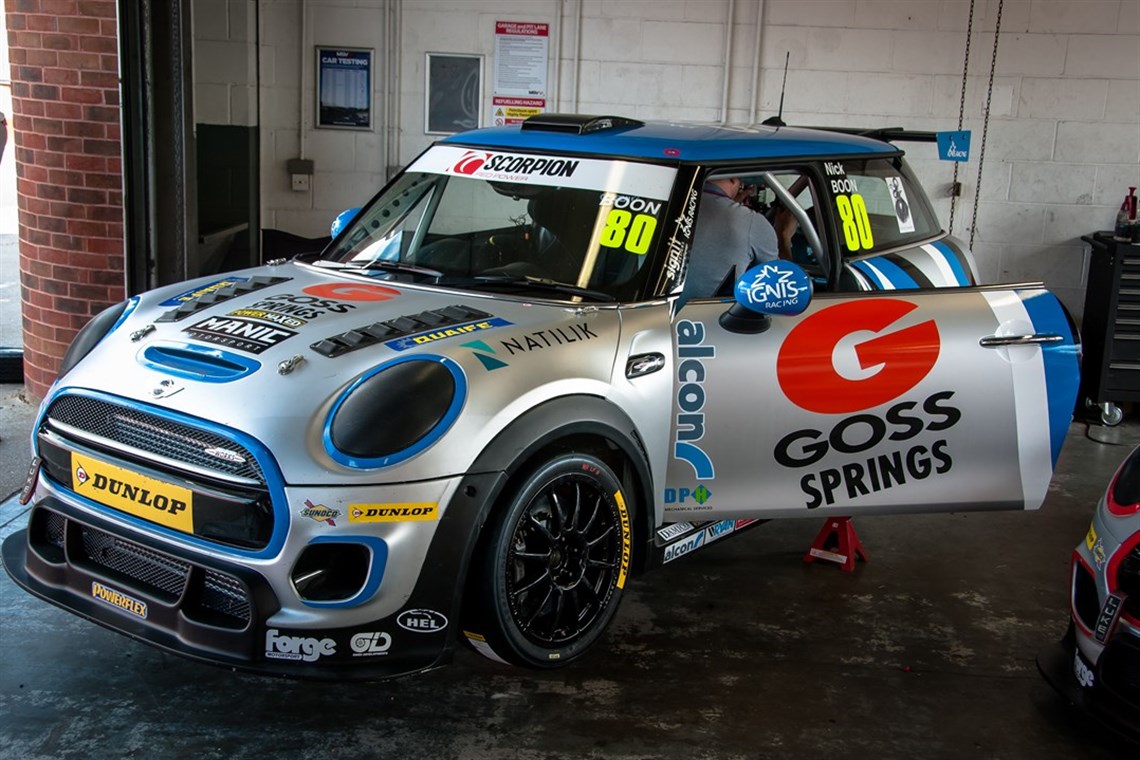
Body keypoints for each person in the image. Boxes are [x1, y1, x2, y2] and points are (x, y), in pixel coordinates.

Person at [683, 176, 795, 301]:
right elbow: (783, 288)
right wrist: (784, 237)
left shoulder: (675, 205)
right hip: (712, 312)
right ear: (732, 178)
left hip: (668, 309)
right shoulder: (751, 221)